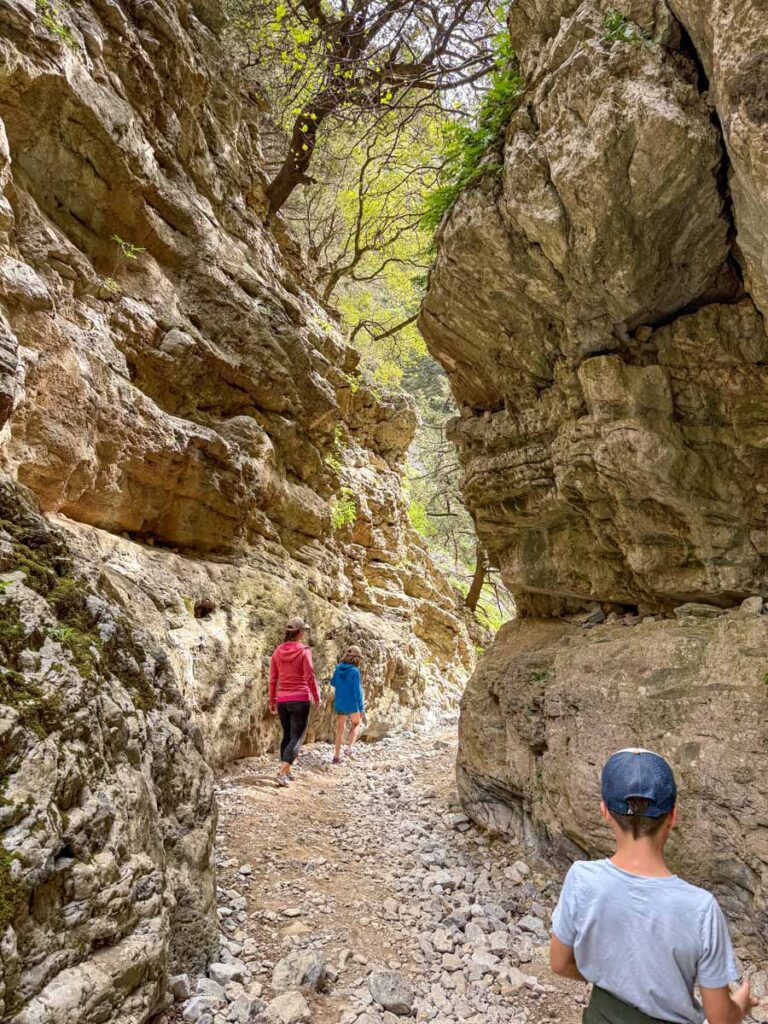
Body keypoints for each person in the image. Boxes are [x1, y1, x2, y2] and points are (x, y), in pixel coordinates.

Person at [550, 747, 758, 1024]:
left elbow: (560, 963)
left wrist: (611, 977)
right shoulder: (701, 908)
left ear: (604, 812)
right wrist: (740, 1006)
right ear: (672, 816)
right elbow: (719, 1018)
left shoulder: (581, 879)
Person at [269, 616, 321, 787]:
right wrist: (316, 695)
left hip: (283, 700)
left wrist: (272, 700)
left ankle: (287, 769)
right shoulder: (304, 651)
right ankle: (282, 772)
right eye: (304, 631)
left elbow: (273, 678)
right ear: (299, 633)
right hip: (300, 698)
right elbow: (309, 676)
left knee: (287, 735)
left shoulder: (277, 651)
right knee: (297, 737)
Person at [329, 644, 366, 765]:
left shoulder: (338, 667)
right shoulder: (355, 671)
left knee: (340, 729)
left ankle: (336, 757)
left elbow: (333, 682)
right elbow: (357, 691)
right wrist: (361, 708)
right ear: (356, 658)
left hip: (340, 702)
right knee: (356, 723)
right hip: (352, 703)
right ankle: (349, 748)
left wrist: (342, 684)